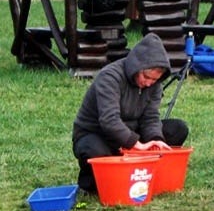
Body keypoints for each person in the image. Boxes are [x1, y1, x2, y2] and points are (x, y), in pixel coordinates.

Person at [72, 33, 188, 194]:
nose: (149, 83)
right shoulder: (110, 77)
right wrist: (137, 145)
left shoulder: (154, 85)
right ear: (137, 67)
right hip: (98, 134)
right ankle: (93, 183)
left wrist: (156, 141)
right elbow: (109, 121)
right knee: (95, 151)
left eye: (154, 80)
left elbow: (151, 117)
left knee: (177, 129)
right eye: (146, 77)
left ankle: (146, 171)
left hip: (132, 133)